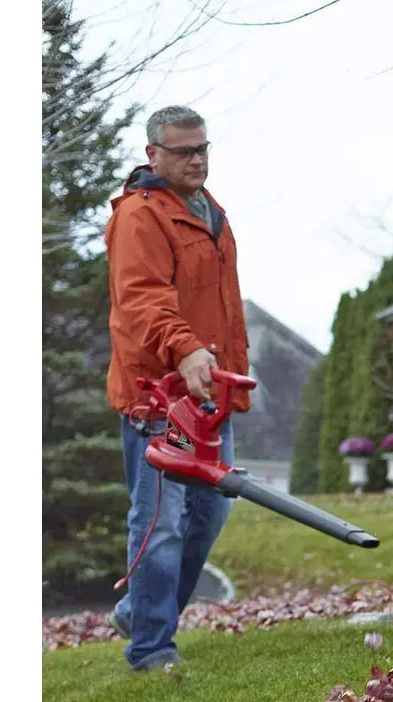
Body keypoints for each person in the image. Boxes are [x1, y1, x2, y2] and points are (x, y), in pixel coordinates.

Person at [103, 105, 250, 672]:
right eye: (185, 151)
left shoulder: (210, 213)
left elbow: (224, 308)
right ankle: (151, 648)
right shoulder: (140, 217)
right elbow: (142, 299)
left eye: (203, 149)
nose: (197, 159)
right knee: (161, 522)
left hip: (209, 397)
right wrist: (186, 349)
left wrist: (226, 374)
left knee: (210, 515)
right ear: (153, 155)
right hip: (159, 396)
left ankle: (143, 610)